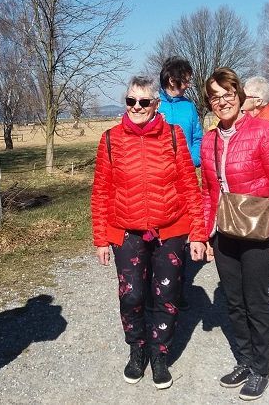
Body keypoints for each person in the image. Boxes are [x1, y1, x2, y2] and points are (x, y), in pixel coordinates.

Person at [91, 75, 209, 390]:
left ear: (156, 104)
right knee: (131, 296)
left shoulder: (174, 136)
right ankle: (137, 348)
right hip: (126, 232)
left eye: (144, 101)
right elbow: (101, 192)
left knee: (167, 296)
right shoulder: (110, 140)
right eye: (131, 101)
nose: (137, 106)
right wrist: (101, 238)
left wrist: (198, 233)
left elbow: (189, 186)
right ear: (126, 102)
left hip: (169, 230)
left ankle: (159, 353)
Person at [200, 67, 269, 401]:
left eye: (228, 94)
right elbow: (208, 192)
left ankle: (260, 369)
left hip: (257, 232)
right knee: (234, 301)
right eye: (215, 96)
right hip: (225, 233)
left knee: (256, 302)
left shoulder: (262, 132)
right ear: (209, 101)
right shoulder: (210, 138)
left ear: (239, 95)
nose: (222, 101)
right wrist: (203, 236)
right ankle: (244, 359)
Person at [158, 56, 203, 167]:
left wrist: (193, 160)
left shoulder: (189, 106)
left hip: (186, 172)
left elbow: (197, 137)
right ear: (172, 81)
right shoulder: (153, 105)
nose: (188, 86)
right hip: (159, 174)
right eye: (185, 82)